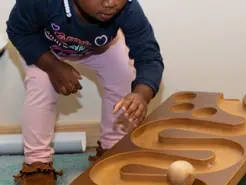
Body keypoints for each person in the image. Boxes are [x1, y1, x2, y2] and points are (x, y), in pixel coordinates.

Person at [6, 0, 164, 184]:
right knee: (41, 86)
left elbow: (149, 56)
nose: (111, 3)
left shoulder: (128, 8)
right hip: (44, 49)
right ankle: (37, 163)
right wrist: (53, 66)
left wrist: (141, 94)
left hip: (99, 50)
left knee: (123, 74)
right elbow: (18, 30)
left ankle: (112, 148)